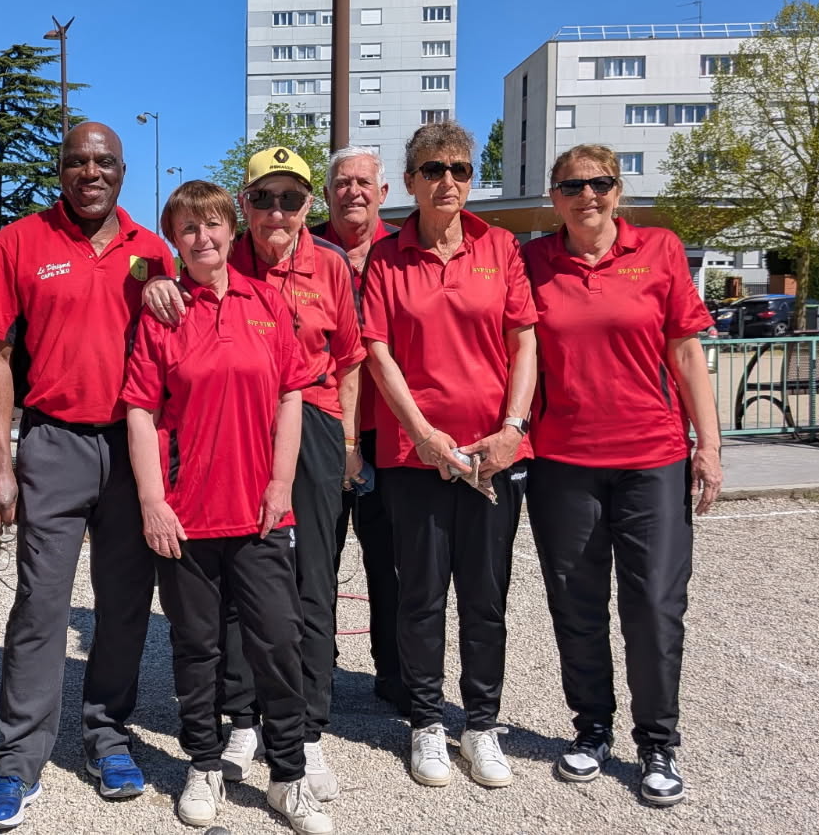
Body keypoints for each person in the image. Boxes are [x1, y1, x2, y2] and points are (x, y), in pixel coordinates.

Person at [0, 122, 177, 830]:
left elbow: (180, 352)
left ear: (122, 171)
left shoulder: (152, 252)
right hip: (53, 443)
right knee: (40, 606)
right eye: (77, 162)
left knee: (123, 603)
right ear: (60, 169)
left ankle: (106, 737)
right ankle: (18, 761)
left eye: (104, 162)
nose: (91, 172)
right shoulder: (18, 243)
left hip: (132, 445)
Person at [145, 147, 362, 798]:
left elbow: (350, 356)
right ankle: (243, 716)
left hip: (313, 423)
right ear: (243, 207)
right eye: (263, 198)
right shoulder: (224, 257)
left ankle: (308, 730)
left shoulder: (330, 265)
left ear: (307, 207)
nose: (276, 210)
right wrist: (145, 278)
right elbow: (154, 263)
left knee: (310, 582)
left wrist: (348, 439)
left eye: (290, 198)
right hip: (232, 425)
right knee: (238, 570)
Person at [522, 144, 723, 807]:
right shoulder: (532, 262)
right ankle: (591, 730)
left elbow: (688, 356)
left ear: (617, 189)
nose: (588, 196)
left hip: (652, 459)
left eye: (600, 183)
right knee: (577, 607)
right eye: (573, 186)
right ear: (555, 196)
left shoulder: (660, 249)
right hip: (563, 464)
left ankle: (658, 743)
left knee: (656, 608)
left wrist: (710, 449)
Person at [360, 122, 537, 790]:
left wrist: (512, 428)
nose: (448, 181)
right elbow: (378, 354)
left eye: (460, 169)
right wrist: (425, 434)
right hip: (419, 457)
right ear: (409, 181)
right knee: (422, 596)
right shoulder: (388, 258)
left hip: (494, 454)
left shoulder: (501, 248)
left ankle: (482, 725)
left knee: (486, 598)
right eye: (433, 169)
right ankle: (428, 723)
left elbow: (524, 343)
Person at [310, 145, 405, 715]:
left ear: (383, 193)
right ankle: (310, 678)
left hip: (392, 433)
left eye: (364, 182)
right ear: (327, 194)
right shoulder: (306, 246)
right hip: (323, 432)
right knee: (315, 564)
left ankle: (395, 676)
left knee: (393, 564)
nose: (353, 191)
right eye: (342, 182)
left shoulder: (403, 251)